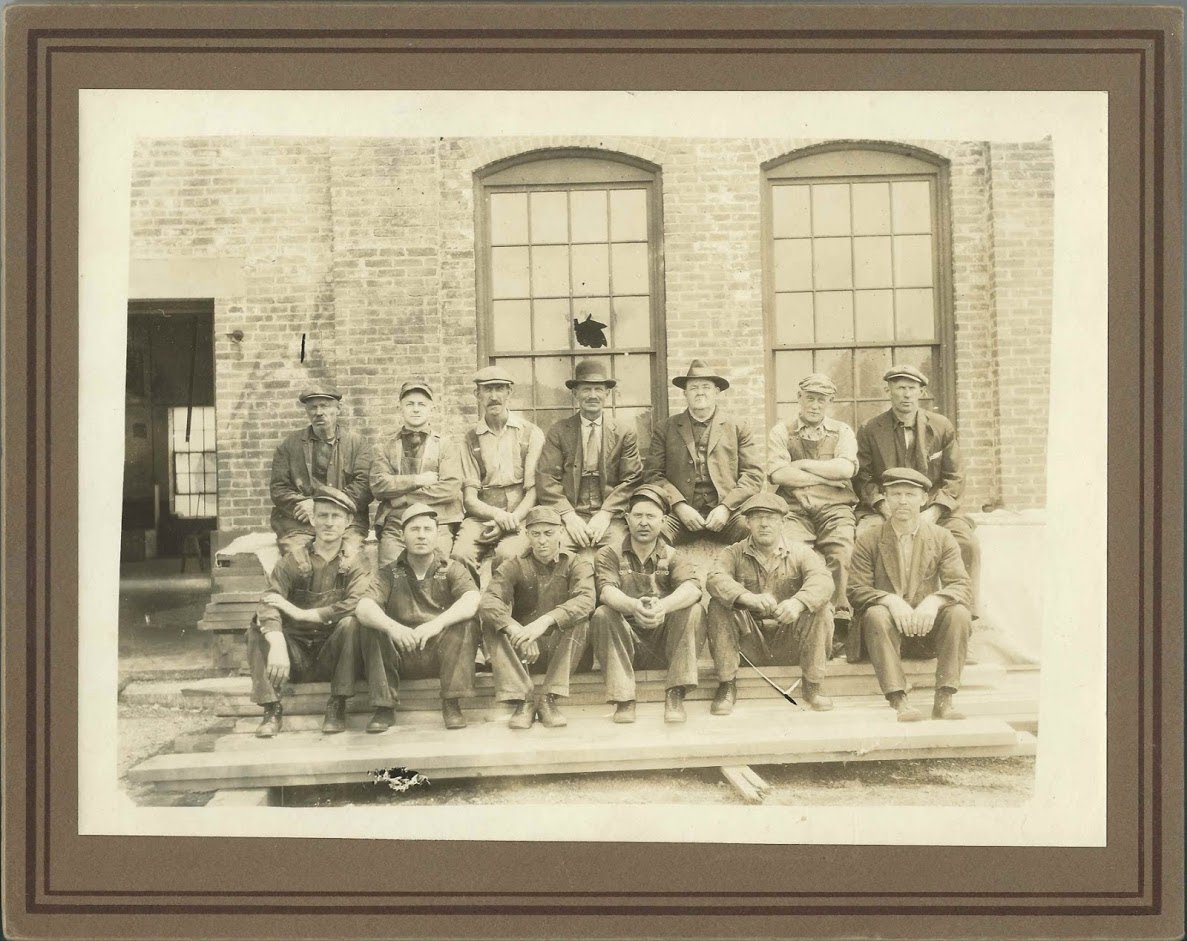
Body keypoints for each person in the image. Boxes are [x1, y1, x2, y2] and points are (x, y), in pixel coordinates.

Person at [847, 467, 973, 722]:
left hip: (925, 629)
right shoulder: (869, 539)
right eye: (895, 494)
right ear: (886, 497)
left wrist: (934, 600)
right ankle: (899, 699)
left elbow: (961, 585)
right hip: (885, 634)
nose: (903, 501)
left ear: (924, 499)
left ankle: (945, 699)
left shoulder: (942, 537)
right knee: (876, 613)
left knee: (958, 613)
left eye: (910, 494)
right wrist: (890, 600)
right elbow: (856, 590)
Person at [854, 364, 980, 613]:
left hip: (931, 508)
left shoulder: (941, 427)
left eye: (912, 388)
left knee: (967, 542)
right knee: (863, 541)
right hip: (887, 509)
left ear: (921, 392)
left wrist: (934, 512)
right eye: (900, 388)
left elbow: (955, 476)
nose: (906, 394)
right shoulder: (870, 429)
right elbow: (863, 477)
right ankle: (870, 619)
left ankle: (963, 613)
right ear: (888, 390)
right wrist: (882, 506)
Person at [247, 485, 371, 738]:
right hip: (294, 657)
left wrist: (303, 614)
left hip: (334, 657)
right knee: (258, 628)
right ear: (312, 519)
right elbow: (269, 601)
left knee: (351, 624)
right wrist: (278, 642)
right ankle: (271, 708)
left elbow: (356, 602)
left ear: (347, 522)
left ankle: (337, 704)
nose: (328, 522)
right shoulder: (292, 559)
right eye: (322, 515)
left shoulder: (357, 561)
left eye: (336, 516)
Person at [705, 492, 835, 716]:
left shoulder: (802, 552)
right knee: (718, 605)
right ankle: (727, 684)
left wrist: (797, 603)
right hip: (749, 644)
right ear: (748, 522)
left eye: (771, 517)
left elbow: (823, 581)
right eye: (757, 517)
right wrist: (747, 597)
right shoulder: (733, 553)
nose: (764, 524)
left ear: (783, 522)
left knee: (820, 607)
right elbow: (715, 578)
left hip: (790, 642)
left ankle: (813, 684)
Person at [354, 503, 482, 732]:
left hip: (440, 655)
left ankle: (451, 703)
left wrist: (436, 624)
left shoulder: (451, 568)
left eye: (427, 529)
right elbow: (364, 607)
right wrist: (394, 628)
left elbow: (472, 599)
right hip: (401, 654)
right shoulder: (390, 571)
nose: (421, 535)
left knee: (467, 622)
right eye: (414, 529)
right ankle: (384, 706)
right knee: (372, 624)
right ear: (402, 535)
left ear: (437, 534)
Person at [590, 485, 706, 724]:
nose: (644, 522)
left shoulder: (674, 555)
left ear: (663, 520)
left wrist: (664, 607)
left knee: (694, 609)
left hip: (666, 646)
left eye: (651, 516)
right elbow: (606, 591)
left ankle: (675, 693)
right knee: (603, 614)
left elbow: (693, 587)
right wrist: (633, 606)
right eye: (638, 516)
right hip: (627, 644)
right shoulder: (608, 554)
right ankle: (624, 699)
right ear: (627, 519)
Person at [477, 506, 595, 730]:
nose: (542, 541)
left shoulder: (576, 563)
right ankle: (523, 700)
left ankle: (549, 698)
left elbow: (586, 600)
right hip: (525, 651)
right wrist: (517, 630)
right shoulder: (514, 564)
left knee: (582, 620)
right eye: (536, 534)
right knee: (494, 624)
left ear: (561, 532)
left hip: (564, 650)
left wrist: (544, 622)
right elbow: (489, 601)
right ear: (527, 534)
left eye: (549, 533)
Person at [767, 373, 859, 653]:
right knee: (788, 553)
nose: (815, 405)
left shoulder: (842, 431)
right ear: (799, 399)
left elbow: (845, 470)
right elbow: (779, 474)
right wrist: (827, 477)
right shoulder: (781, 431)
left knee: (842, 551)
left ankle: (838, 621)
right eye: (810, 399)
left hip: (835, 508)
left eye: (822, 400)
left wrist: (803, 464)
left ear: (829, 402)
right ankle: (789, 622)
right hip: (794, 509)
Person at [644, 359, 763, 545]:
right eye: (693, 388)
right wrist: (679, 505)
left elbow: (753, 475)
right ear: (685, 393)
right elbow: (653, 475)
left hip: (727, 514)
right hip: (680, 514)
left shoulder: (738, 427)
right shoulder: (665, 428)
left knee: (755, 535)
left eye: (706, 387)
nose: (700, 392)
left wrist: (726, 507)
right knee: (653, 536)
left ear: (716, 392)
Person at [536, 359, 643, 560]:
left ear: (607, 394)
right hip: (570, 511)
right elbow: (546, 478)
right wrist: (568, 516)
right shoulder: (559, 431)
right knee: (555, 555)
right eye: (586, 389)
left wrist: (605, 514)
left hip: (610, 514)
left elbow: (632, 479)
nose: (592, 395)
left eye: (598, 389)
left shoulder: (624, 432)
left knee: (620, 556)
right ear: (575, 394)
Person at [452, 365, 545, 570]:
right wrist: (498, 516)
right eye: (487, 390)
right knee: (461, 556)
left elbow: (533, 491)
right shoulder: (469, 439)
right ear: (477, 394)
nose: (494, 396)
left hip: (521, 515)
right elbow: (469, 499)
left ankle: (502, 603)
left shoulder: (531, 434)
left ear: (509, 392)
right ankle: (472, 600)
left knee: (508, 556)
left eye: (499, 389)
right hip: (482, 516)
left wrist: (511, 519)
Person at [269, 383, 371, 557]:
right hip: (300, 523)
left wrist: (322, 505)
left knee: (350, 557)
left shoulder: (357, 444)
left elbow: (364, 486)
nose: (318, 412)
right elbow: (279, 488)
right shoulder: (289, 446)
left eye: (324, 406)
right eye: (313, 407)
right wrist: (305, 506)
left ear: (338, 409)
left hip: (345, 521)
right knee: (297, 560)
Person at [369, 380, 464, 565]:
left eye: (422, 404)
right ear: (400, 409)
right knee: (391, 572)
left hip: (437, 521)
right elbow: (378, 485)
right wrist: (418, 480)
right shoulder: (386, 445)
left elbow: (450, 487)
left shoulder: (445, 445)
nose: (415, 409)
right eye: (409, 404)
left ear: (431, 409)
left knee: (438, 573)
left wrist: (405, 498)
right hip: (397, 522)